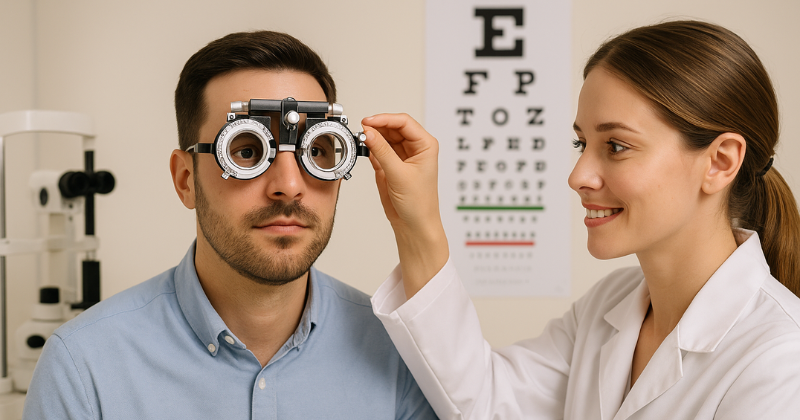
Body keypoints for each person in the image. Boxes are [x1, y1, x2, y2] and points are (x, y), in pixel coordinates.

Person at [362, 20, 800, 419]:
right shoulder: (609, 304)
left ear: (720, 162)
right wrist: (417, 223)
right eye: (581, 144)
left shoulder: (780, 359)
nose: (577, 177)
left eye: (616, 146)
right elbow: (486, 400)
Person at [23, 31, 436, 419]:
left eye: (319, 150)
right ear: (186, 180)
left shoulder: (399, 353)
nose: (290, 187)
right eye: (246, 151)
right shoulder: (82, 367)